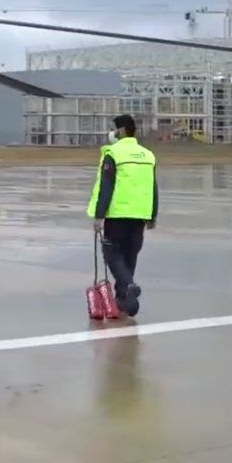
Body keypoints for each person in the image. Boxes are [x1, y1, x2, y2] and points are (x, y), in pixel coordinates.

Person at [86, 114, 158, 316]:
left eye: (114, 129)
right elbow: (153, 187)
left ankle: (128, 285)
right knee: (129, 256)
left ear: (122, 130)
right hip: (140, 214)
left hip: (118, 214)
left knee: (112, 253)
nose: (112, 132)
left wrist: (99, 216)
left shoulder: (113, 153)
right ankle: (124, 301)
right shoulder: (148, 155)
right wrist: (153, 214)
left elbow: (106, 186)